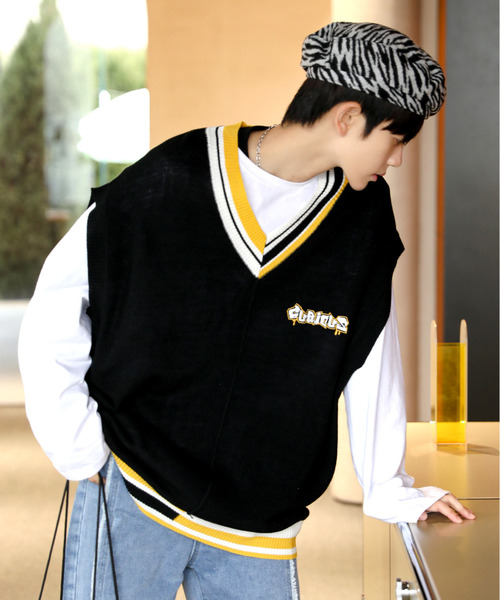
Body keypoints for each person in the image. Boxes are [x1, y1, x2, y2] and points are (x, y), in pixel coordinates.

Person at [18, 21, 474, 600]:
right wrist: (77, 443)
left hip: (258, 526)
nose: (399, 158)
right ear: (347, 118)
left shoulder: (363, 224)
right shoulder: (172, 178)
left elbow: (371, 351)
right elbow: (58, 302)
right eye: (396, 138)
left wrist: (387, 485)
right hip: (133, 492)